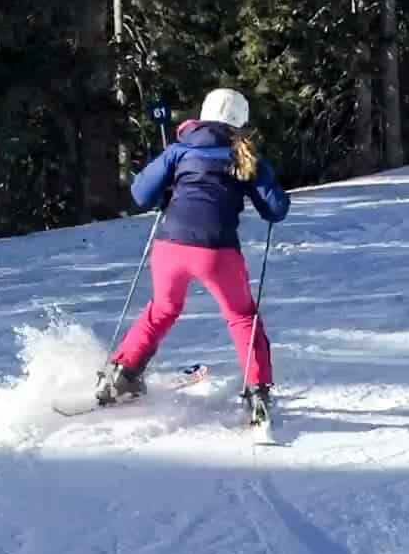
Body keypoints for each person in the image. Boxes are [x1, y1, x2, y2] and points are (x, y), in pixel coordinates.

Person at [96, 87, 291, 422]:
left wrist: (167, 191)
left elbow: (140, 193)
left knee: (162, 309)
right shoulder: (244, 156)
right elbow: (274, 209)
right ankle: (257, 390)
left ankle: (122, 376)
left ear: (200, 117)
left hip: (170, 248)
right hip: (217, 252)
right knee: (242, 316)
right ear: (240, 123)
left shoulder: (178, 151)